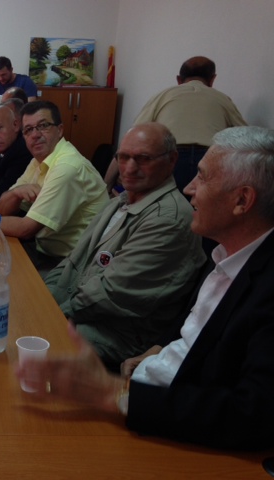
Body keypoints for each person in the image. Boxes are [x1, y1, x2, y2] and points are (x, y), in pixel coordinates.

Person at [17, 125, 274, 450]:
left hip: (168, 421)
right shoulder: (226, 251)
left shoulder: (264, 284)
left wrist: (114, 393)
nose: (189, 188)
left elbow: (254, 416)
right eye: (123, 157)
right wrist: (159, 347)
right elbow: (197, 322)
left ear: (242, 200)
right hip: (144, 384)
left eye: (202, 177)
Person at [45, 123, 206, 369]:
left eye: (143, 159)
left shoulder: (168, 219)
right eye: (123, 157)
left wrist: (50, 312)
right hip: (83, 313)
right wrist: (42, 296)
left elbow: (110, 293)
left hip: (116, 334)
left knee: (26, 341)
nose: (129, 168)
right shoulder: (119, 202)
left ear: (172, 160)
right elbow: (73, 259)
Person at [0, 101, 108, 277]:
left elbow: (25, 229)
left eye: (43, 126)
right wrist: (16, 193)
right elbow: (2, 209)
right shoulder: (38, 161)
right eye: (28, 130)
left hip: (72, 265)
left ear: (60, 130)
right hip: (44, 250)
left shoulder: (67, 167)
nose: (35, 135)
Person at [105, 56, 247, 194]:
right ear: (212, 79)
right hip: (210, 159)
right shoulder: (223, 99)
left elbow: (132, 137)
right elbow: (247, 139)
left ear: (179, 79)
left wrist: (107, 186)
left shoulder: (163, 95)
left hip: (171, 158)